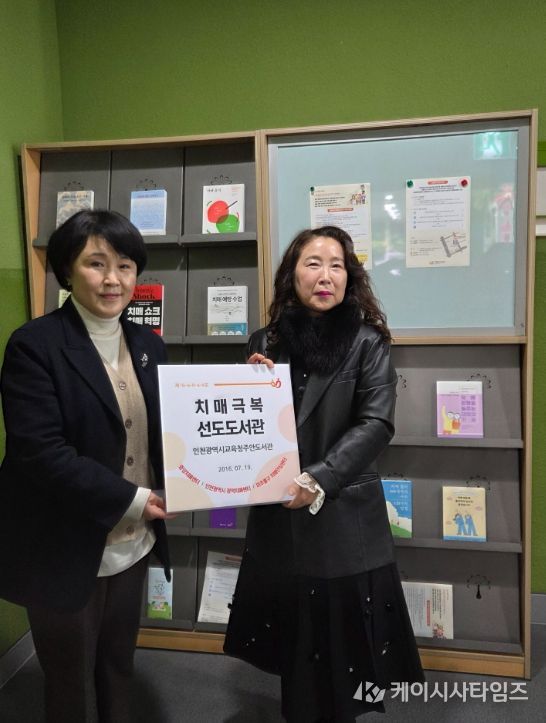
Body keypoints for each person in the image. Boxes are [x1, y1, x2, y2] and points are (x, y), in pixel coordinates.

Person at [224, 226, 424, 722]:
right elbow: (247, 424)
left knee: (343, 650)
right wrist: (249, 386)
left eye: (337, 265)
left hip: (340, 514)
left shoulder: (368, 342)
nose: (326, 275)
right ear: (292, 275)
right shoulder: (265, 340)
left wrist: (317, 478)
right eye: (313, 263)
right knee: (297, 645)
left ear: (349, 277)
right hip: (279, 517)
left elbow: (376, 424)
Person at [0, 210, 171, 723]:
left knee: (118, 666)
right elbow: (41, 452)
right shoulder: (35, 345)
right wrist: (136, 499)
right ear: (67, 271)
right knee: (69, 679)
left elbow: (174, 428)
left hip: (133, 542)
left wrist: (252, 385)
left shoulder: (148, 345)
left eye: (125, 265)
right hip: (62, 543)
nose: (113, 279)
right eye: (96, 264)